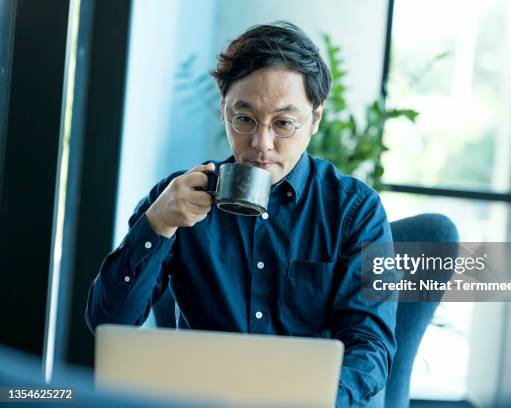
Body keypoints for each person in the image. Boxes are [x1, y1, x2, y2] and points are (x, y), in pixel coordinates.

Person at [85, 21, 397, 407]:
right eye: (245, 119)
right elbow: (109, 325)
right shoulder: (178, 197)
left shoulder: (355, 210)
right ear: (223, 111)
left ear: (314, 119)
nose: (261, 144)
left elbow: (371, 349)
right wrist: (157, 224)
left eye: (283, 123)